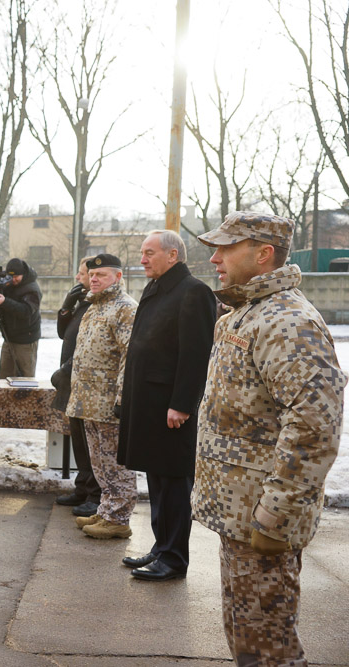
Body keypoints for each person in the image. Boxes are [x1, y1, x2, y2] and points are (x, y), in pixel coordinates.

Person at [192, 211, 345, 665]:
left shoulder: (287, 321)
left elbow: (315, 426)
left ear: (263, 255)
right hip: (241, 513)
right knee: (247, 639)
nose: (215, 257)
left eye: (226, 248)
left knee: (268, 648)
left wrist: (275, 516)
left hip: (263, 517)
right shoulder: (246, 313)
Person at [117, 230, 216, 581]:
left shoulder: (194, 292)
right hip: (149, 406)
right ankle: (161, 547)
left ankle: (174, 559)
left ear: (173, 255)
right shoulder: (158, 288)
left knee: (174, 484)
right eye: (142, 253)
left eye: (150, 252)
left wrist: (183, 404)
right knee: (157, 480)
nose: (142, 259)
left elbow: (196, 354)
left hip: (172, 410)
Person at [65, 254, 138, 539]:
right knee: (99, 463)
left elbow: (128, 357)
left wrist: (122, 399)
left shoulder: (124, 309)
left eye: (102, 276)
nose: (94, 280)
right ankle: (107, 510)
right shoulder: (94, 307)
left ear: (118, 277)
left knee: (114, 462)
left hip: (108, 403)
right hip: (88, 400)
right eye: (92, 275)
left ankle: (119, 518)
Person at [51, 256, 100, 518]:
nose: (79, 279)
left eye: (83, 274)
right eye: (80, 274)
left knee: (91, 443)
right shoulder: (83, 302)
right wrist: (67, 306)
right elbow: (64, 333)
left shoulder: (97, 305)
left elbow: (88, 347)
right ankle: (82, 488)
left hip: (84, 381)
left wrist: (65, 370)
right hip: (72, 381)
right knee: (78, 441)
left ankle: (95, 493)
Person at [0, 257, 41, 378]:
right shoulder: (8, 281)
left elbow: (26, 311)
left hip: (26, 340)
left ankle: (26, 397)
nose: (13, 280)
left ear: (23, 274)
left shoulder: (32, 289)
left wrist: (4, 302)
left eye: (16, 277)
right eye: (10, 276)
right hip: (9, 337)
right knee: (5, 374)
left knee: (25, 376)